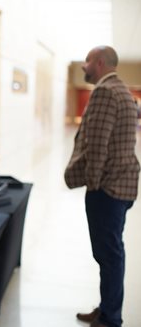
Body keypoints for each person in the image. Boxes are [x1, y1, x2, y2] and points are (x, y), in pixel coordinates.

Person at [64, 46, 140, 327]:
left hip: (107, 190)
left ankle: (110, 318)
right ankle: (107, 308)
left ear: (99, 62)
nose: (83, 66)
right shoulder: (123, 91)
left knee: (109, 255)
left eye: (86, 61)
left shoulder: (106, 92)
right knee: (111, 253)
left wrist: (94, 185)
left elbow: (96, 146)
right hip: (122, 186)